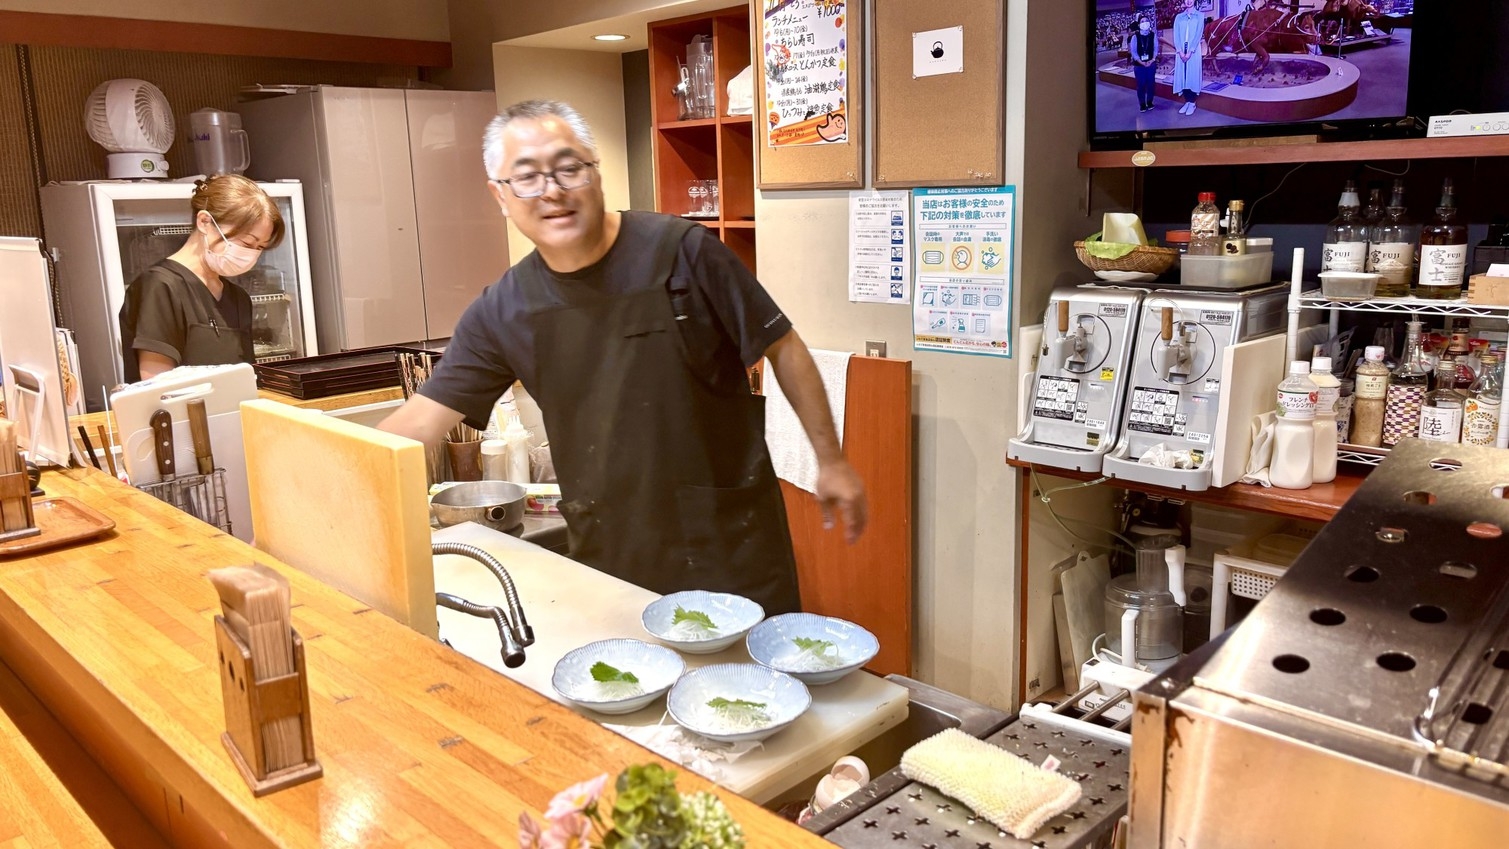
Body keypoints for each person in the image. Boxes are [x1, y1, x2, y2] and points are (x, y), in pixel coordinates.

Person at [378, 100, 867, 615]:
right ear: (500, 196)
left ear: (595, 171)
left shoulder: (684, 252)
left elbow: (782, 345)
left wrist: (830, 461)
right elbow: (419, 423)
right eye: (526, 177)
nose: (552, 190)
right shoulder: (504, 310)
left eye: (568, 167)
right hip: (613, 554)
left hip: (730, 545)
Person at [119, 174, 283, 382]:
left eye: (260, 247)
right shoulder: (161, 286)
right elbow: (157, 387)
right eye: (247, 243)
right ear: (205, 222)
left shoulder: (238, 298)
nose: (251, 254)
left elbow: (245, 378)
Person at [1172, 0, 1205, 115]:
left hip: (1193, 50)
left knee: (1192, 75)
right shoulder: (1179, 17)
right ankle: (1187, 102)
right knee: (1183, 76)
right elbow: (1176, 35)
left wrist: (1190, 51)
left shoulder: (1200, 16)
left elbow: (1198, 35)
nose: (1189, 1)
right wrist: (1180, 51)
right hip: (1181, 50)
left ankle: (1192, 103)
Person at [1130, 15, 1160, 113]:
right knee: (1141, 85)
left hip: (1151, 64)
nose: (1145, 23)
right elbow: (1134, 52)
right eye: (1142, 21)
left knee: (1151, 84)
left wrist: (1152, 60)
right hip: (1139, 65)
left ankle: (1150, 102)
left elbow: (1156, 49)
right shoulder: (1135, 37)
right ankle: (1142, 104)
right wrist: (1141, 62)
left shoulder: (1153, 35)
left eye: (1146, 21)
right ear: (1139, 25)